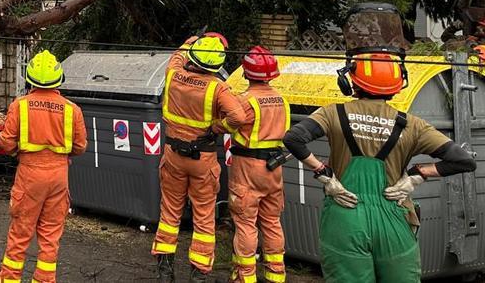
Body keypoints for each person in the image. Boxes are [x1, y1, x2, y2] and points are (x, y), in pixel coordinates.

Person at [283, 52, 477, 282]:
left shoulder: (333, 113)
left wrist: (324, 174)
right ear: (397, 86)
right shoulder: (413, 125)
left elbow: (294, 138)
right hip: (393, 217)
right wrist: (418, 174)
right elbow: (464, 160)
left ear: (351, 82)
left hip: (345, 216)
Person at [153, 33, 250, 283]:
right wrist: (217, 128)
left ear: (192, 57)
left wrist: (193, 39)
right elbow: (239, 118)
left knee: (170, 213)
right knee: (204, 216)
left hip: (173, 155)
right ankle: (198, 275)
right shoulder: (217, 87)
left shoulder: (173, 73)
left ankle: (165, 271)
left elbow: (177, 54)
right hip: (202, 160)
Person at [0, 50, 87, 283]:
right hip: (58, 176)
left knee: (20, 233)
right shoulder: (72, 110)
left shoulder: (20, 105)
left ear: (30, 79)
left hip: (29, 175)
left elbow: (6, 141)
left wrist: (20, 153)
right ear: (59, 79)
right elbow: (80, 146)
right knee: (50, 236)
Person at [222, 47, 288, 283]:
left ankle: (244, 277)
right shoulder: (281, 99)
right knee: (271, 222)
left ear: (246, 73)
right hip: (274, 169)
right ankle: (275, 276)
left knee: (246, 223)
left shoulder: (245, 101)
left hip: (248, 168)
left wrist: (215, 128)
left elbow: (231, 123)